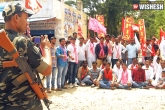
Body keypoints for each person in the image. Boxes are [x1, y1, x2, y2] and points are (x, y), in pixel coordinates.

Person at [0, 3, 52, 110]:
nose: (27, 22)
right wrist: (46, 48)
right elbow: (47, 70)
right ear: (16, 18)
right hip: (24, 105)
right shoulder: (22, 42)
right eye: (26, 18)